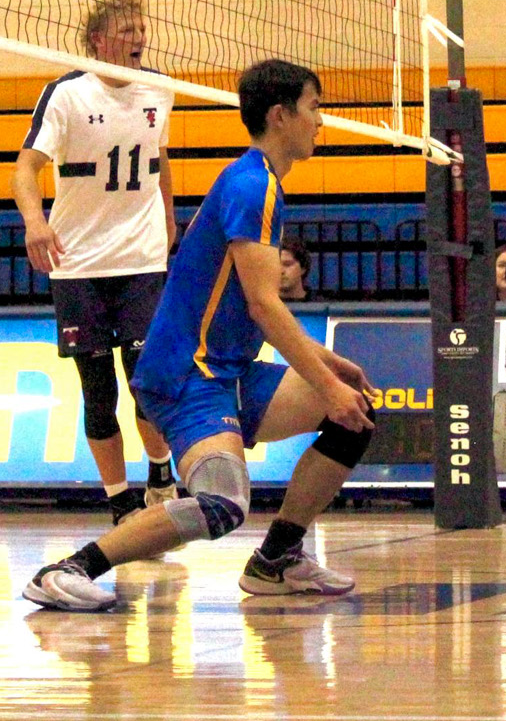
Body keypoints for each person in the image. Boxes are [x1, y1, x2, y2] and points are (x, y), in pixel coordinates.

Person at [23, 60, 376, 612]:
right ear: (282, 116)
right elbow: (265, 304)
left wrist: (328, 365)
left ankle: (277, 559)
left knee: (354, 415)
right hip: (187, 376)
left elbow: (258, 301)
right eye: (314, 107)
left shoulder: (259, 181)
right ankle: (67, 569)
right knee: (222, 504)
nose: (321, 122)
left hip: (227, 370)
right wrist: (325, 380)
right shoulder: (251, 184)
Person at [12, 0, 179, 531]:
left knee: (146, 380)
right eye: (126, 29)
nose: (138, 37)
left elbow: (161, 156)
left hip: (141, 258)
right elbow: (25, 168)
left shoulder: (160, 88)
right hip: (79, 262)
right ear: (97, 42)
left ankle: (160, 472)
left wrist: (169, 217)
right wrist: (36, 224)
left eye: (141, 28)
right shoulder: (66, 95)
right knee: (98, 390)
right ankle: (119, 500)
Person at [278, 237, 320, 303]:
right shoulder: (259, 307)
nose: (281, 271)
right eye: (275, 265)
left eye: (287, 264)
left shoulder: (321, 305)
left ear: (303, 268)